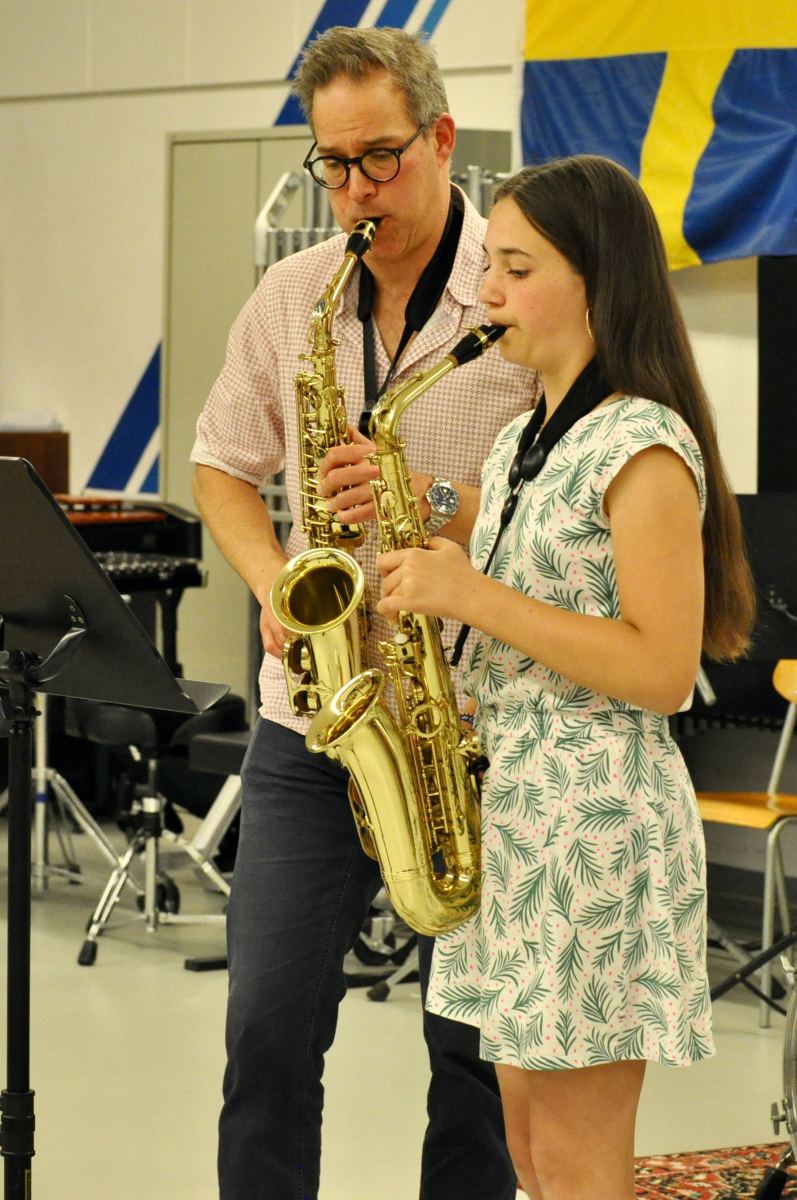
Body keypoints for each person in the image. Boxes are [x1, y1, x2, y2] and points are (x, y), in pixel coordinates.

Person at [190, 25, 540, 1200]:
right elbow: (219, 464)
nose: (354, 193)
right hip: (316, 717)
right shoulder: (294, 292)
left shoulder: (517, 289)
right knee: (264, 1034)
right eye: (331, 165)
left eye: (378, 158)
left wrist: (428, 499)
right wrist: (273, 588)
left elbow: (573, 504)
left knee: (472, 1059)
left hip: (473, 720)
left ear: (440, 139)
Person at [376, 154, 756, 1200]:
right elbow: (537, 562)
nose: (486, 293)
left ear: (597, 282)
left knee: (582, 1166)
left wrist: (470, 597)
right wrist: (413, 499)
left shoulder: (642, 445)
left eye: (516, 269)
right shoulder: (523, 439)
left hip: (595, 823)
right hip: (515, 816)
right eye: (487, 267)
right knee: (532, 1157)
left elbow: (661, 670)